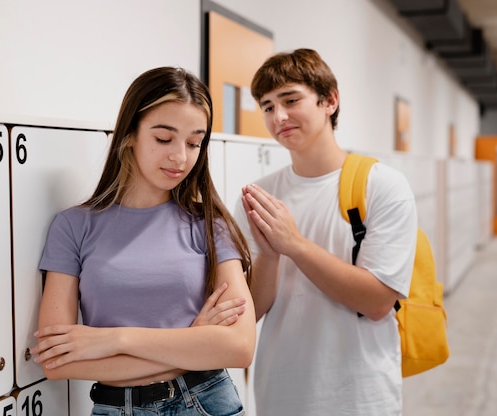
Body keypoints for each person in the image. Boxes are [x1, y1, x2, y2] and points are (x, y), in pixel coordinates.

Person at [31, 66, 256, 416]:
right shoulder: (73, 227)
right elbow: (57, 362)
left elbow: (240, 348)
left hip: (206, 402)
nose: (180, 157)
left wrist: (113, 339)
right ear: (131, 134)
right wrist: (192, 341)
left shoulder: (209, 225)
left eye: (194, 142)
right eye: (164, 139)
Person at [234, 48, 417, 415]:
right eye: (267, 107)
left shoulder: (382, 186)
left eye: (290, 100)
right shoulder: (258, 198)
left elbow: (378, 301)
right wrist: (270, 258)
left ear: (329, 100)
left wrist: (295, 245)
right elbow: (247, 311)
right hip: (280, 392)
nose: (279, 116)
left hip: (361, 396)